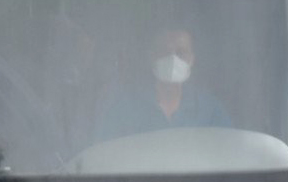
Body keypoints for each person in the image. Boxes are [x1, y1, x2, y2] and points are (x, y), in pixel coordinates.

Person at [96, 28, 230, 138]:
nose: (172, 59)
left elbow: (227, 152)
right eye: (164, 52)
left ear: (192, 59)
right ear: (151, 57)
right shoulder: (124, 109)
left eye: (181, 53)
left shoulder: (210, 110)